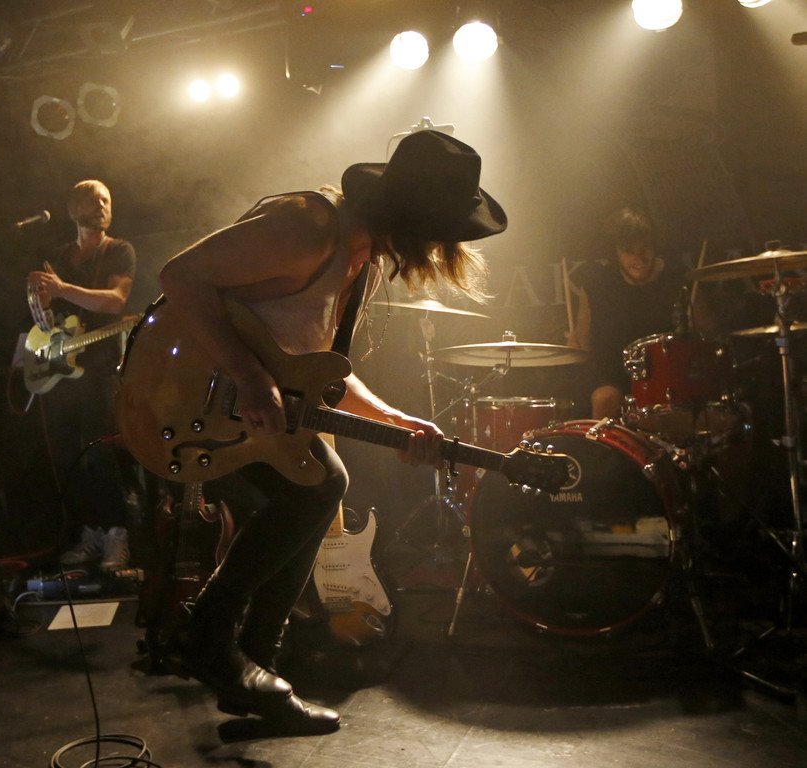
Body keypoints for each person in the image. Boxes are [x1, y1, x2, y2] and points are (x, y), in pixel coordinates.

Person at [157, 130, 507, 735]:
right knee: (320, 484)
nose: (442, 249)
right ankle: (207, 636)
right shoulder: (306, 227)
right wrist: (247, 374)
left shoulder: (359, 260)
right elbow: (178, 276)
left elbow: (318, 374)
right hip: (184, 394)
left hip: (247, 407)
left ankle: (254, 676)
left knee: (320, 484)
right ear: (414, 221)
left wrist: (395, 420)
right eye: (440, 233)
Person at [27, 179, 136, 571]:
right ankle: (90, 533)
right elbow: (48, 315)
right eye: (95, 200)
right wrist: (40, 302)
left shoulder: (119, 250)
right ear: (74, 209)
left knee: (102, 452)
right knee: (70, 458)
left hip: (101, 369)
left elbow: (115, 301)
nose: (103, 206)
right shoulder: (58, 256)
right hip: (62, 372)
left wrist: (61, 288)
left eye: (107, 199)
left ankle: (119, 535)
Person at [569, 206, 712, 419]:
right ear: (616, 253)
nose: (639, 257)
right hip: (613, 374)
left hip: (669, 372)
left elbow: (709, 332)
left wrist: (696, 338)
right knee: (605, 398)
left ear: (654, 246)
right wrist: (576, 350)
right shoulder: (597, 286)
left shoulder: (679, 280)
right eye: (629, 251)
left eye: (645, 248)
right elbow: (582, 339)